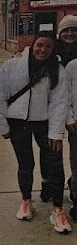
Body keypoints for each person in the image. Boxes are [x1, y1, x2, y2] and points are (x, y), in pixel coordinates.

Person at [0, 33, 70, 233]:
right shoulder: (12, 66)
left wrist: (56, 133)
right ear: (33, 45)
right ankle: (26, 201)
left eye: (48, 47)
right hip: (18, 123)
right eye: (40, 45)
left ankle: (57, 209)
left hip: (44, 123)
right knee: (25, 164)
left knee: (55, 165)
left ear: (53, 50)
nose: (43, 50)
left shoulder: (57, 71)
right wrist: (2, 126)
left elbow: (59, 103)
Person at [55, 14, 77, 203]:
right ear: (59, 33)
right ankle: (50, 185)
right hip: (52, 107)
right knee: (52, 152)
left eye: (73, 30)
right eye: (66, 30)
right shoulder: (52, 50)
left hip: (71, 109)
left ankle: (73, 185)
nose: (70, 33)